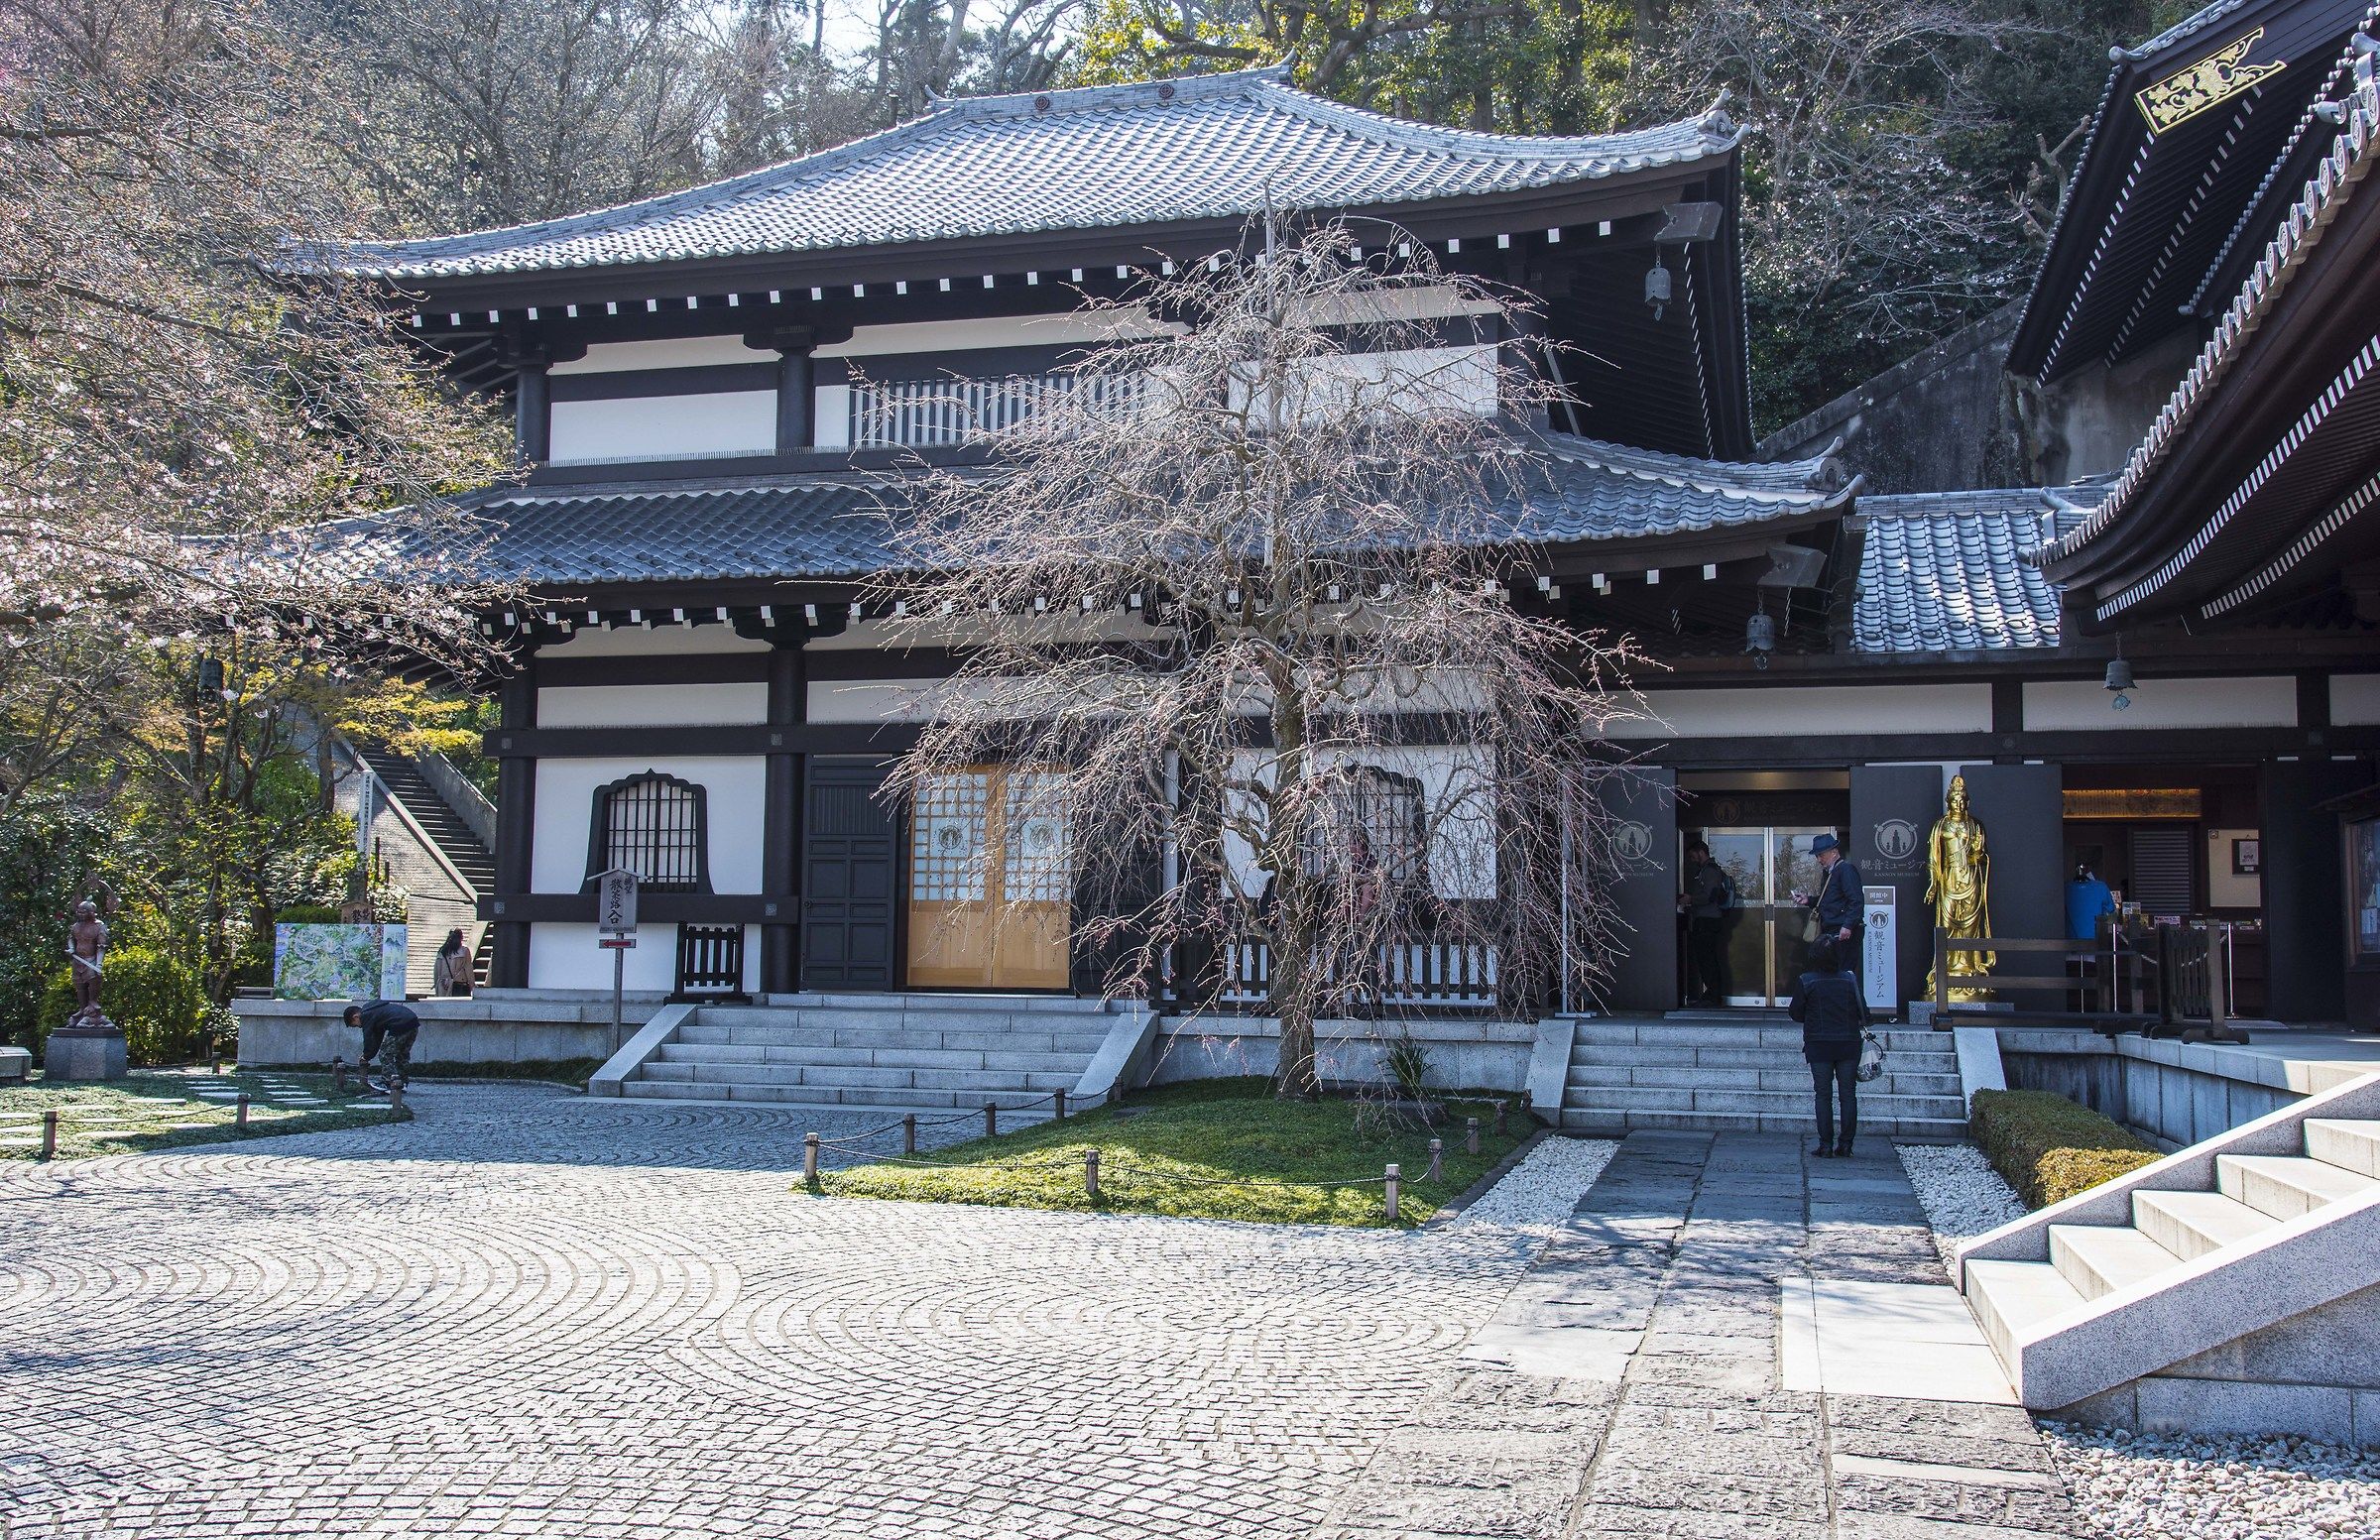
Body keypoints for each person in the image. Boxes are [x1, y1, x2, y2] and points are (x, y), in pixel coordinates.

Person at [1790, 936, 1868, 1158]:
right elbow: (1864, 1011)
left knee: (1823, 1094)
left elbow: (1796, 1013)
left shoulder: (1807, 981)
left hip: (1819, 1044)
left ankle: (1825, 1144)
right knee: (1848, 1094)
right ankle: (1846, 1144)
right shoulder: (1849, 980)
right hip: (1848, 1043)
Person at [1794, 833, 1864, 983]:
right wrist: (1809, 900)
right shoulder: (1831, 872)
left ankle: (1848, 1004)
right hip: (1834, 931)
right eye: (1817, 856)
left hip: (1843, 932)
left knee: (1843, 973)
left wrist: (1848, 925)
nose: (1819, 860)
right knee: (1834, 974)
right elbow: (1829, 900)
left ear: (1834, 852)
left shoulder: (1845, 870)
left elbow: (1856, 901)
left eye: (1821, 855)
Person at [1678, 839, 1730, 1005]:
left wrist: (1690, 899)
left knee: (1707, 959)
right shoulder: (1706, 871)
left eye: (1693, 856)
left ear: (1701, 852)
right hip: (1704, 920)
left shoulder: (1710, 871)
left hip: (1708, 921)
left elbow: (1710, 896)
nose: (1693, 860)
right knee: (1705, 959)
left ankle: (1714, 995)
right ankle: (1712, 993)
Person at [343, 999, 419, 1095]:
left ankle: (387, 1083)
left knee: (385, 1054)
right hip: (413, 1022)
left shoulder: (366, 1016)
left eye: (355, 1025)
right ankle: (401, 1083)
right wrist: (369, 1055)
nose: (360, 1027)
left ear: (356, 1017)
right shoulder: (376, 1012)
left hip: (399, 1025)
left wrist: (366, 1056)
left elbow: (368, 1038)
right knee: (402, 1055)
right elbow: (377, 1038)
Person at [2066, 865, 2115, 942]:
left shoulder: (2065, 889)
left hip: (2069, 942)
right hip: (2095, 940)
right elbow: (2111, 910)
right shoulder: (2100, 887)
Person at [433, 928, 473, 997]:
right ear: (461, 938)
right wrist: (472, 985)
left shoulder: (442, 951)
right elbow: (468, 969)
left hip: (443, 985)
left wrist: (437, 984)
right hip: (459, 985)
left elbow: (436, 971)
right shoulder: (464, 951)